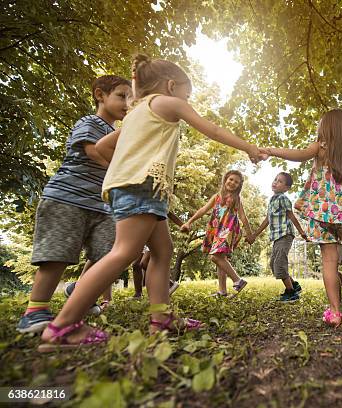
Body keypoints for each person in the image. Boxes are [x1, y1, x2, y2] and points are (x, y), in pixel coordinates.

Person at [37, 54, 263, 351]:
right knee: (124, 252)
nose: (186, 99)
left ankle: (162, 318)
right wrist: (249, 147)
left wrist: (123, 169)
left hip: (136, 187)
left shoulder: (134, 114)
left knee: (162, 250)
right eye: (187, 93)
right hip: (142, 187)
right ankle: (63, 326)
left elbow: (104, 146)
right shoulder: (167, 102)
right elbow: (213, 130)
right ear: (172, 85)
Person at [16, 75, 131, 334]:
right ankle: (35, 311)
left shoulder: (116, 133)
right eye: (122, 96)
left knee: (110, 254)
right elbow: (95, 152)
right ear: (100, 95)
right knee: (57, 254)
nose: (128, 103)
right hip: (67, 198)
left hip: (102, 205)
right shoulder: (90, 123)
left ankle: (80, 292)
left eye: (131, 98)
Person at [262, 109, 342, 327]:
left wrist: (272, 151)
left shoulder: (320, 147)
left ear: (325, 128)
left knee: (329, 261)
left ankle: (335, 312)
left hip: (322, 213)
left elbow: (299, 155)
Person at [181, 171, 252, 297]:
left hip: (227, 229)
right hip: (217, 229)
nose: (233, 183)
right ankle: (222, 291)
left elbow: (243, 216)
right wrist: (189, 222)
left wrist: (250, 233)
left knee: (215, 256)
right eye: (231, 179)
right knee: (220, 259)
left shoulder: (236, 198)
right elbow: (203, 209)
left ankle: (238, 280)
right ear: (225, 180)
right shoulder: (217, 196)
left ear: (239, 186)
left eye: (236, 182)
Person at [247, 172, 307, 302]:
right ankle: (294, 285)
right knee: (273, 264)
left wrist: (302, 232)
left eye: (280, 181)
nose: (275, 182)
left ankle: (291, 293)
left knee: (279, 263)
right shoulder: (272, 200)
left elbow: (291, 216)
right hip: (277, 237)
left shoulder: (283, 198)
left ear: (286, 188)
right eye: (275, 179)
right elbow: (267, 219)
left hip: (285, 234)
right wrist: (254, 235)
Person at [132, 212, 183, 299]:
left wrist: (183, 224)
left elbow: (168, 211)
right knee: (136, 264)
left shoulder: (154, 201)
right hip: (140, 233)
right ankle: (138, 294)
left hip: (152, 234)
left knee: (143, 263)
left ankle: (170, 283)